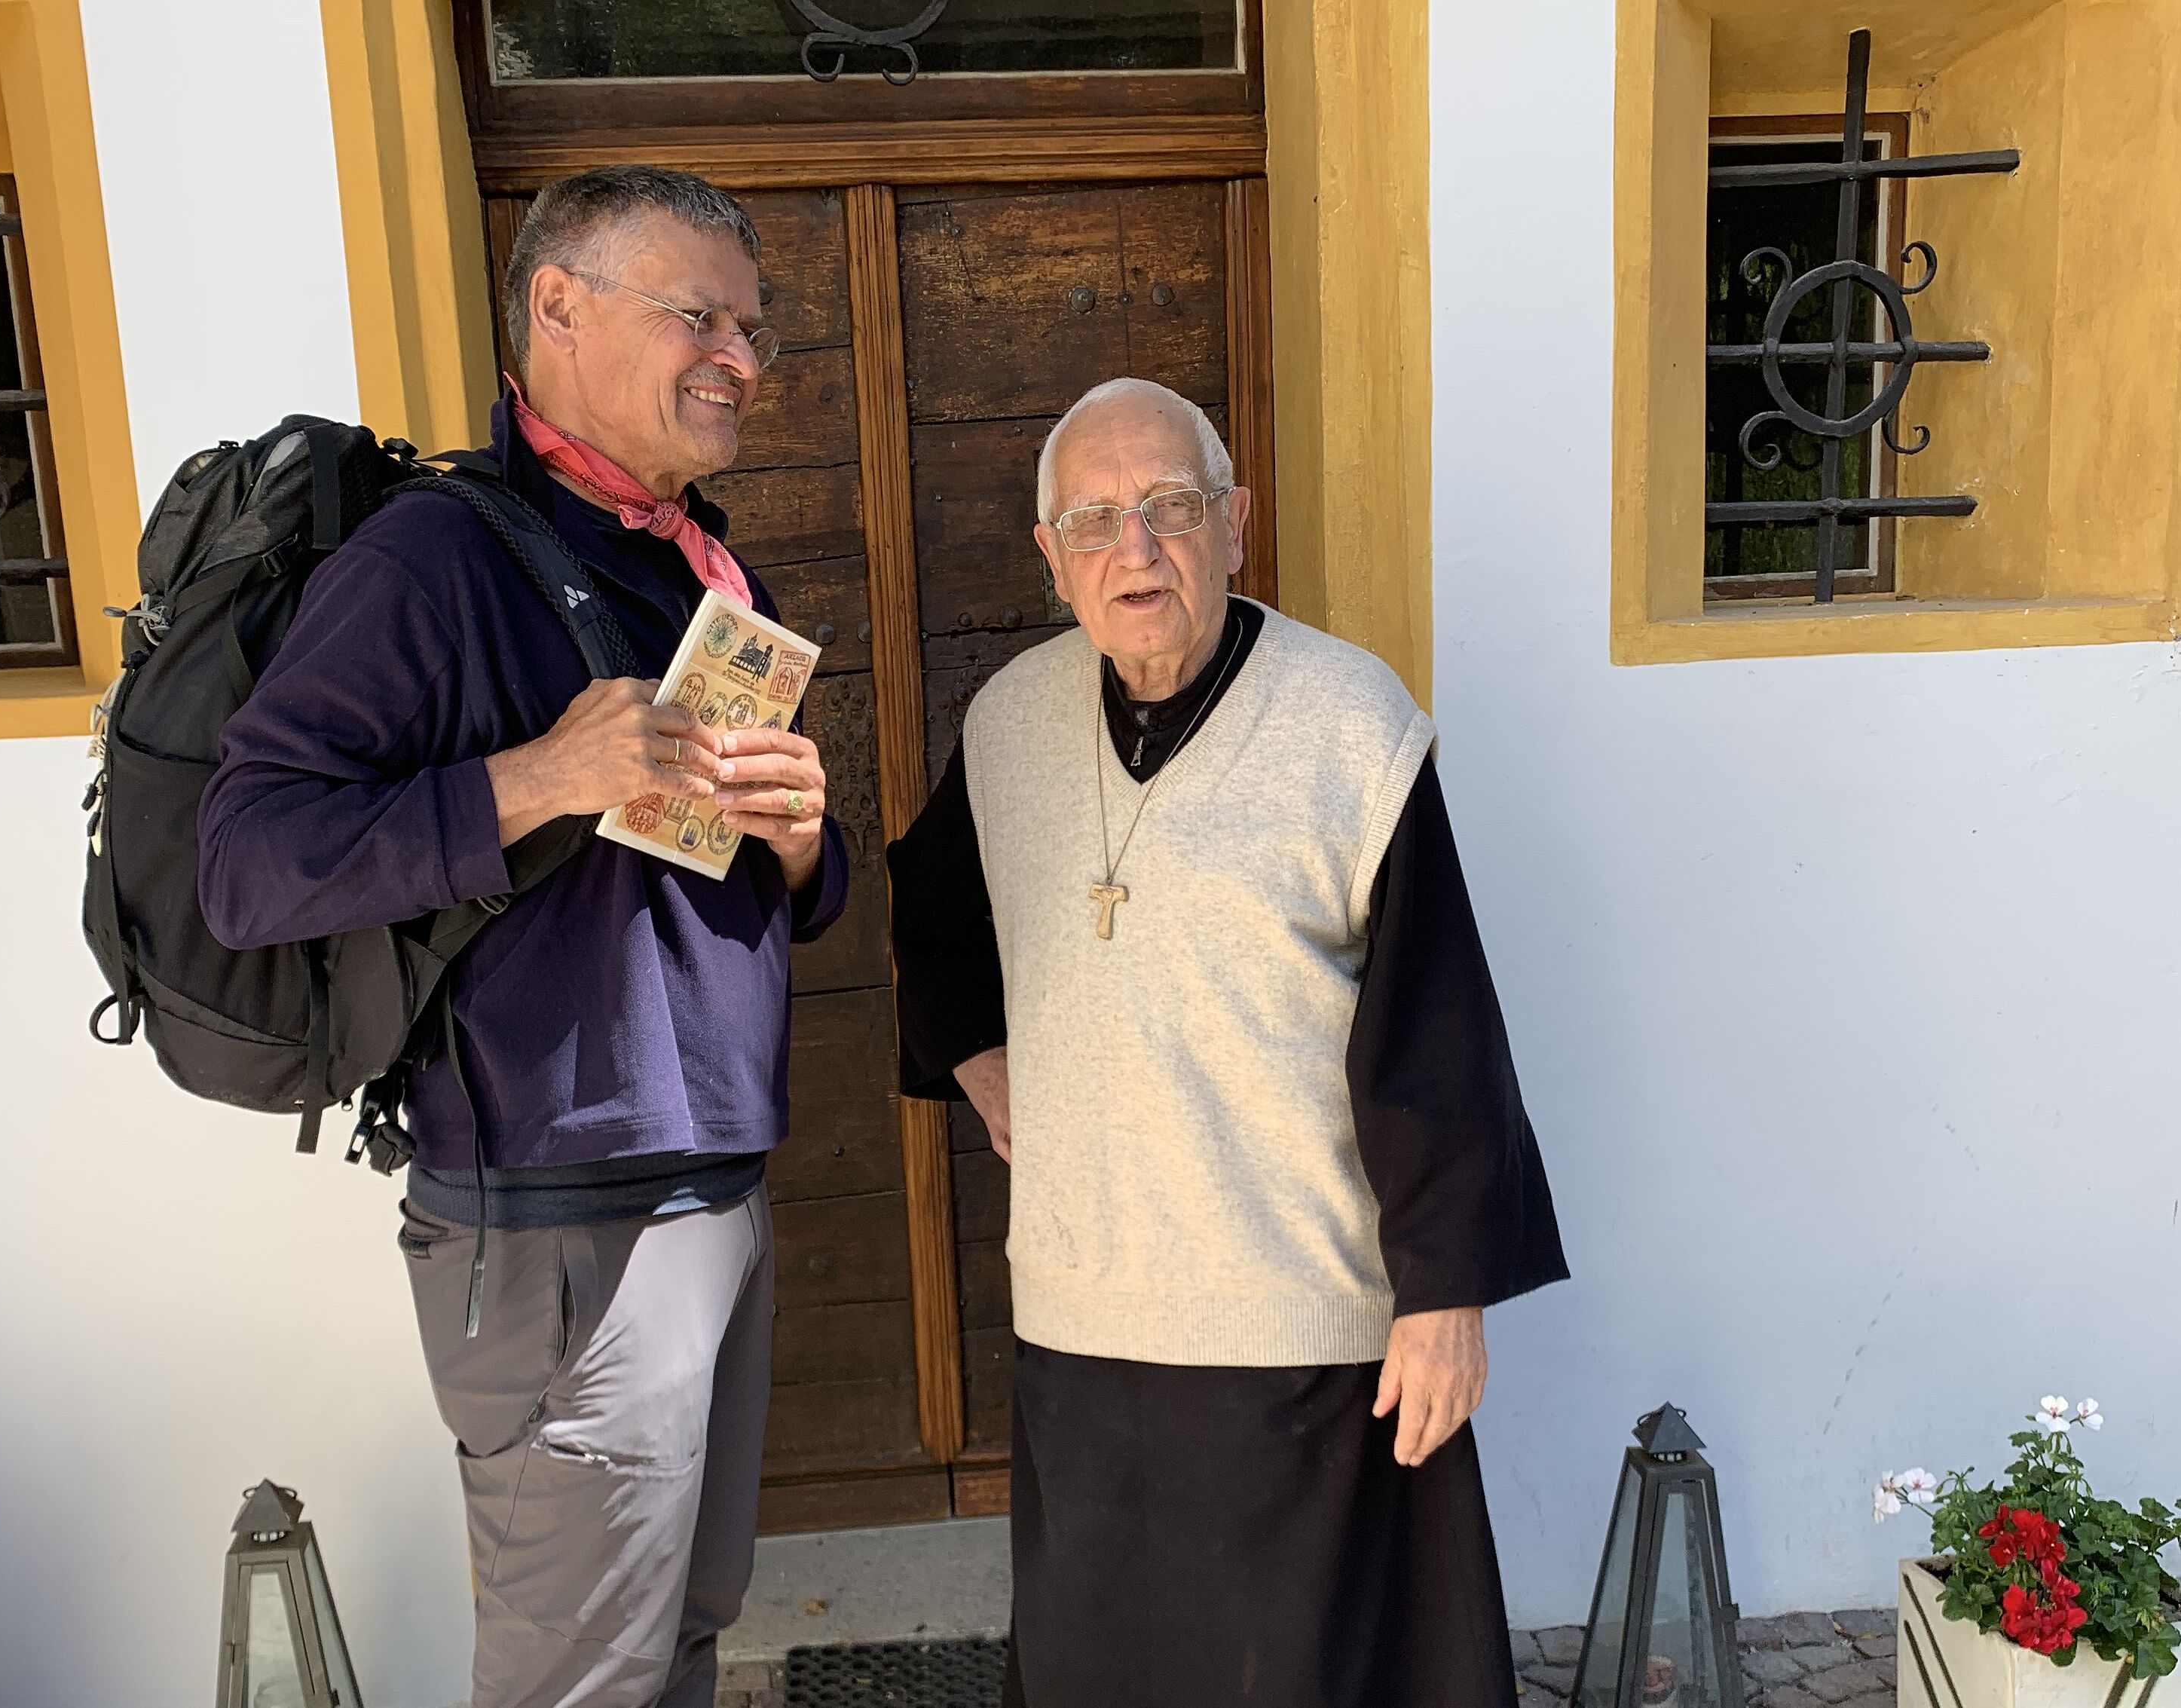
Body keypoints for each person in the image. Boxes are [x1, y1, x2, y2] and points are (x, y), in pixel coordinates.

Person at [200, 166, 846, 1708]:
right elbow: (246, 859)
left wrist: (802, 841)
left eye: (753, 331)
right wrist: (537, 776)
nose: (740, 360)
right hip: (557, 1225)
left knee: (678, 1642)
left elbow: (751, 898)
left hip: (710, 1188)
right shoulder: (433, 561)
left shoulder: (701, 568)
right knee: (581, 1680)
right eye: (701, 318)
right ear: (558, 305)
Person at [886, 376, 1568, 1708]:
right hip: (1084, 1322)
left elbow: (1437, 1027)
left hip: (1301, 1336)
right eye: (1094, 520)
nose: (1134, 548)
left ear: (1236, 523)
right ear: (1051, 558)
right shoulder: (1009, 724)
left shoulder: (1350, 724)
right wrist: (978, 1058)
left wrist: (1445, 1298)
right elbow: (934, 908)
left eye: (1171, 506)